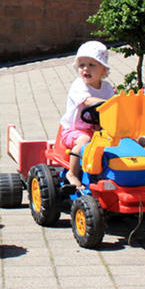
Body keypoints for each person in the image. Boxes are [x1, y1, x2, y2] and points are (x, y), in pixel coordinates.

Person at [61, 41, 116, 189]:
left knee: (117, 139)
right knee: (85, 139)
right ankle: (72, 173)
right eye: (82, 65)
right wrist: (109, 103)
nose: (86, 69)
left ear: (103, 70)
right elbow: (87, 101)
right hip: (74, 130)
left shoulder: (107, 87)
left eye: (92, 65)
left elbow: (113, 106)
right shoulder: (79, 86)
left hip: (97, 129)